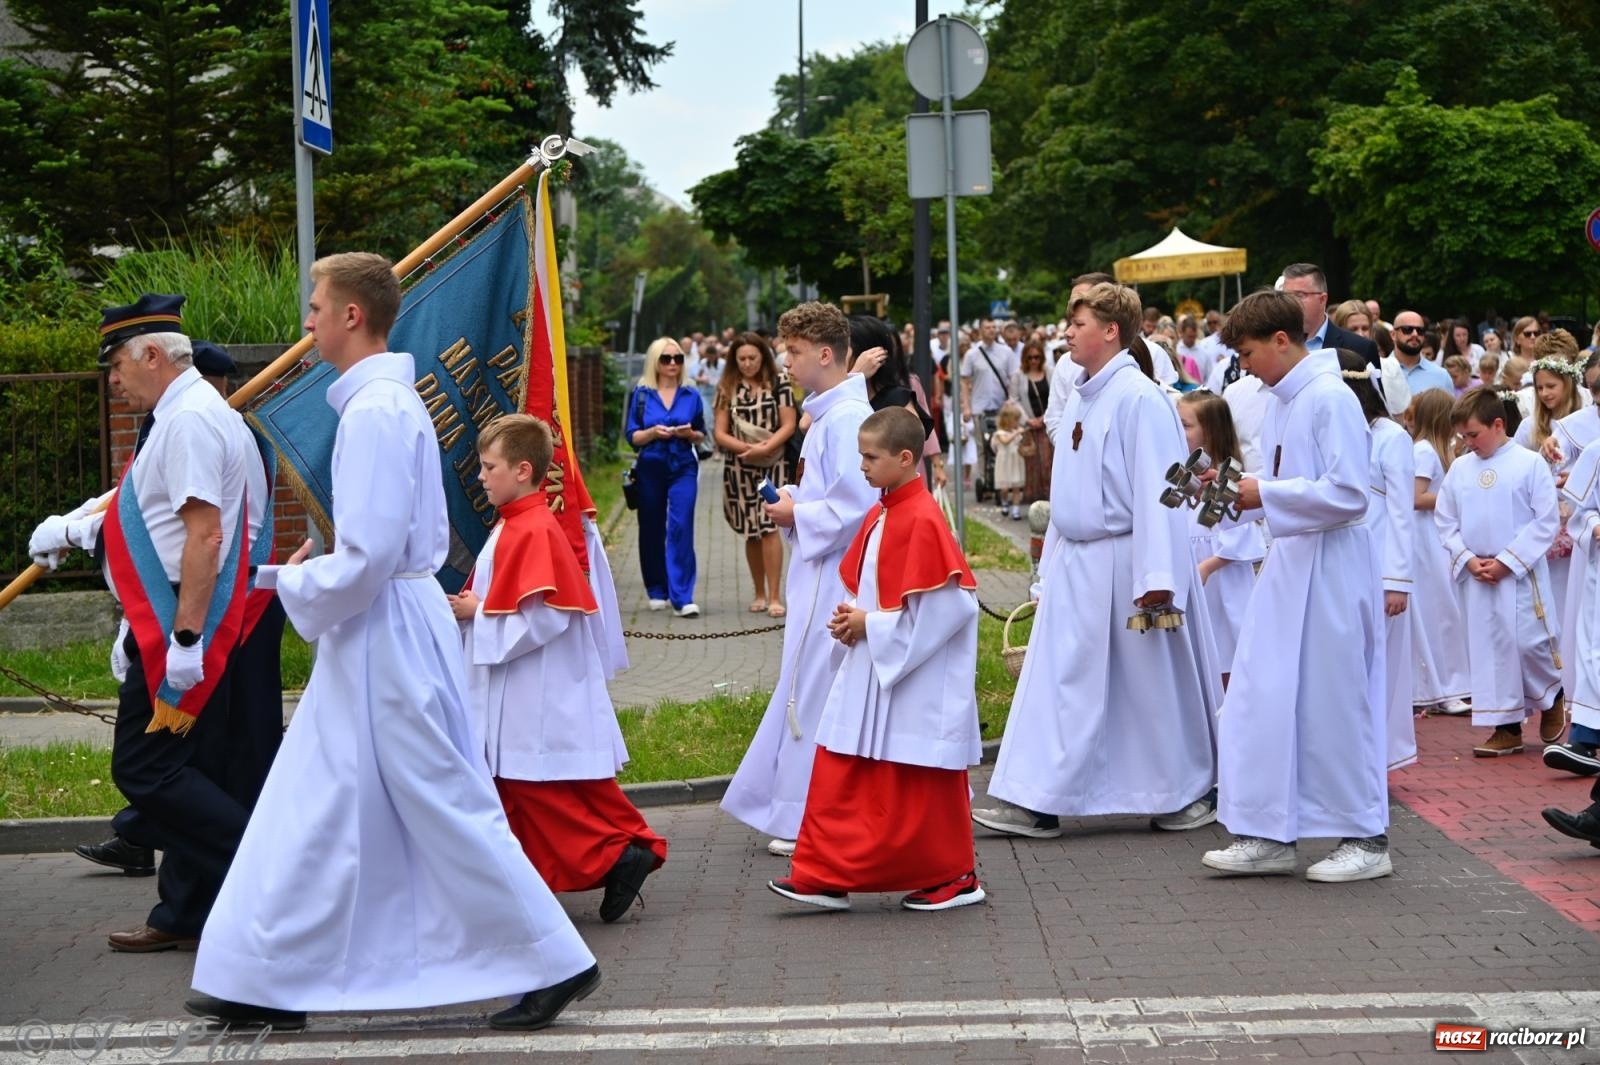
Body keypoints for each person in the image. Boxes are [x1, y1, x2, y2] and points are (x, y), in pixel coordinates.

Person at [187, 252, 598, 1032]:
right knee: (317, 801)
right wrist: (291, 578)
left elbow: (371, 555)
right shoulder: (380, 404)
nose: (306, 321)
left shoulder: (376, 411)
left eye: (316, 306)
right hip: (379, 628)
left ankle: (554, 958)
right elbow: (372, 552)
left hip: (385, 632)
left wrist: (285, 583)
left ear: (352, 315)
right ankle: (264, 975)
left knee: (436, 798)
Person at [26, 296, 273, 949]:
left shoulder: (188, 421)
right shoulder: (180, 415)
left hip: (184, 618)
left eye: (116, 366)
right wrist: (76, 529)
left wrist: (184, 638)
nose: (113, 380)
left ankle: (271, 876)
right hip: (171, 613)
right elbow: (143, 510)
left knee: (145, 769)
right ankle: (188, 912)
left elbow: (204, 535)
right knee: (193, 768)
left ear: (153, 355)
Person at [973, 283, 1221, 840]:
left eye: (1077, 323)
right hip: (1078, 563)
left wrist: (1157, 578)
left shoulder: (1141, 398)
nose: (1066, 332)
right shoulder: (1084, 395)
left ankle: (1184, 793)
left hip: (1129, 563)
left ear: (1111, 330)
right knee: (1059, 682)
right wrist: (1049, 569)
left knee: (1150, 688)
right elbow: (1067, 492)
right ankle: (1036, 799)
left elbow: (1161, 492)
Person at [1200, 290, 1391, 883]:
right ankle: (1268, 830)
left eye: (1248, 353)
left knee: (1334, 700)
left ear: (1282, 340)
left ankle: (1367, 837)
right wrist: (1242, 492)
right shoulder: (1285, 398)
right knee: (1262, 696)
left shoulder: (1330, 396)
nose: (1244, 366)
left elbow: (1350, 493)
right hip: (1291, 564)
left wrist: (1265, 493)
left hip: (1332, 567)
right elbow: (1293, 484)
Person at [767, 406, 984, 912]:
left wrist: (872, 626)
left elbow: (952, 607)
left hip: (913, 676)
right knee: (840, 767)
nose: (861, 466)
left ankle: (953, 877)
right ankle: (823, 874)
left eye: (870, 457)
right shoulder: (883, 511)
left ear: (905, 459)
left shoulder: (923, 517)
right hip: (874, 664)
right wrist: (854, 621)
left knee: (920, 781)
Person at [452, 414, 667, 922]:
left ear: (523, 470)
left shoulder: (533, 528)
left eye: (489, 467)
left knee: (541, 793)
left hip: (537, 690)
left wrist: (479, 613)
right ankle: (555, 877)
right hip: (521, 686)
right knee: (536, 792)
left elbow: (546, 616)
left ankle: (617, 859)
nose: (480, 476)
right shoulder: (513, 523)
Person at [721, 301, 877, 856]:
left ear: (826, 354)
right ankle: (801, 807)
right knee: (805, 689)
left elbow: (858, 505)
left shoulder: (848, 418)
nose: (785, 361)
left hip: (837, 578)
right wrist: (795, 501)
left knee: (816, 692)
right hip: (819, 571)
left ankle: (814, 813)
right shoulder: (827, 414)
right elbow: (827, 493)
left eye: (794, 351)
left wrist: (798, 513)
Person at [1435, 387, 1566, 759]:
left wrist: (1509, 560)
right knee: (1491, 650)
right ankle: (1506, 727)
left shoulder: (1529, 463)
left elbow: (1545, 520)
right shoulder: (1461, 468)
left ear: (1497, 424)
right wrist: (1466, 558)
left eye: (1473, 434)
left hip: (1519, 572)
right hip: (1479, 574)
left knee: (1528, 642)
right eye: (1463, 436)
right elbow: (1445, 519)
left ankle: (1551, 694)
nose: (1468, 443)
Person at [1339, 350, 1417, 772]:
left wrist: (1397, 581)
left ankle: (1378, 757)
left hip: (1382, 566)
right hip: (1347, 563)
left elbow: (1403, 513)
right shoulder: (1342, 432)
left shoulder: (1391, 437)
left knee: (1380, 665)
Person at [1175, 390, 1265, 684]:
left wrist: (1206, 567)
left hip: (1221, 584)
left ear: (1210, 433)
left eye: (1185, 425)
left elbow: (1241, 537)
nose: (1178, 430)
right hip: (1191, 578)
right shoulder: (1182, 476)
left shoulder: (1229, 482)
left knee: (1225, 651)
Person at [712, 332, 798, 618]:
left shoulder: (779, 382)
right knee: (751, 530)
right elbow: (720, 432)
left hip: (773, 464)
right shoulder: (727, 387)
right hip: (740, 467)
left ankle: (774, 596)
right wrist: (747, 450)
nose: (747, 363)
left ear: (763, 357)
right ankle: (758, 592)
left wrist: (766, 448)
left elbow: (789, 424)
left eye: (752, 358)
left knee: (769, 526)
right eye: (742, 359)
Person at [626, 337, 706, 617]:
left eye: (678, 358)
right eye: (666, 358)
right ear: (655, 362)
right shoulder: (642, 394)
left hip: (683, 464)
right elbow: (632, 436)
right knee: (651, 526)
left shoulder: (691, 394)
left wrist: (690, 434)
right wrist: (651, 433)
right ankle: (656, 588)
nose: (673, 363)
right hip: (651, 465)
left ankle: (682, 596)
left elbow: (701, 433)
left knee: (681, 524)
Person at [1407, 389, 1472, 715]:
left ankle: (1451, 682)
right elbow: (1416, 497)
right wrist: (1455, 496)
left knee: (1446, 609)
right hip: (1425, 539)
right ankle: (1442, 685)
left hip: (1435, 535)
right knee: (1440, 609)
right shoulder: (1424, 451)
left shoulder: (1437, 451)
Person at [1515, 352, 1583, 624]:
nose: (1544, 393)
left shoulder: (1584, 421)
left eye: (1551, 386)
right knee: (1552, 589)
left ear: (1568, 384)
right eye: (1539, 387)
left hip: (1581, 514)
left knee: (1578, 586)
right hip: (1547, 515)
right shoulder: (1531, 426)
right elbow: (1516, 466)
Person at [1278, 263, 1380, 370]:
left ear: (1322, 299)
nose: (1291, 302)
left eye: (1299, 295)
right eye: (1286, 296)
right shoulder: (1274, 343)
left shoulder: (1360, 348)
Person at [1010, 341, 1053, 502]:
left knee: (1047, 461)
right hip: (1028, 426)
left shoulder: (1050, 372)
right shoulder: (1018, 375)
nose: (1033, 361)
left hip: (1047, 423)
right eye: (1030, 357)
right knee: (1031, 461)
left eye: (1037, 357)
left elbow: (1056, 397)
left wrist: (1044, 417)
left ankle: (1049, 494)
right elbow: (1014, 399)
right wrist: (1027, 419)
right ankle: (1033, 496)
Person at [1390, 311, 1455, 398]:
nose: (1415, 334)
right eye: (1408, 329)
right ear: (1393, 335)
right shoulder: (1378, 372)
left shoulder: (1441, 376)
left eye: (1420, 330)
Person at [990, 400, 1027, 520]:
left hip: (1015, 461)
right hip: (1004, 463)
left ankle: (1016, 510)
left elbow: (1021, 443)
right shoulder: (999, 433)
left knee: (1016, 487)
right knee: (1004, 488)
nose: (1017, 423)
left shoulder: (1016, 432)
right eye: (1015, 420)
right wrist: (1016, 433)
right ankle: (1004, 501)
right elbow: (1005, 441)